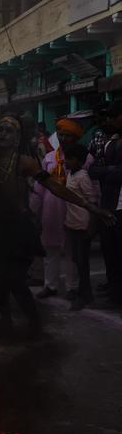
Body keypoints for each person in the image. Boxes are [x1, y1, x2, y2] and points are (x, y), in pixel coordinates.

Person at [0, 114, 112, 339]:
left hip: (20, 228)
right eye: (0, 130)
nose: (2, 134)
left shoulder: (25, 162)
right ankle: (5, 319)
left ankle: (34, 324)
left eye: (9, 131)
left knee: (14, 278)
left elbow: (54, 186)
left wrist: (91, 207)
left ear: (17, 138)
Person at [33, 118, 92, 299]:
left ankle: (71, 287)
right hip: (51, 210)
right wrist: (34, 210)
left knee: (71, 251)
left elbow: (92, 188)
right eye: (61, 134)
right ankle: (50, 285)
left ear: (75, 138)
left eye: (68, 135)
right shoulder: (50, 158)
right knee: (50, 249)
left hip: (75, 210)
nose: (64, 138)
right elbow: (39, 187)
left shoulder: (87, 159)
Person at [88, 101, 122, 306]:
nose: (109, 120)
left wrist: (108, 171)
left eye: (113, 116)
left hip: (118, 205)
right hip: (109, 204)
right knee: (110, 252)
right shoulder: (112, 141)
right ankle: (115, 291)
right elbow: (94, 169)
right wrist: (110, 170)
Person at [62, 143, 99, 310]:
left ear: (78, 160)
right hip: (72, 223)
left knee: (82, 262)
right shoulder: (70, 174)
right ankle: (84, 294)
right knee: (78, 260)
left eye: (69, 158)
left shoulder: (83, 176)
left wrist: (91, 226)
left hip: (82, 224)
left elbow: (92, 201)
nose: (65, 161)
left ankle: (85, 296)